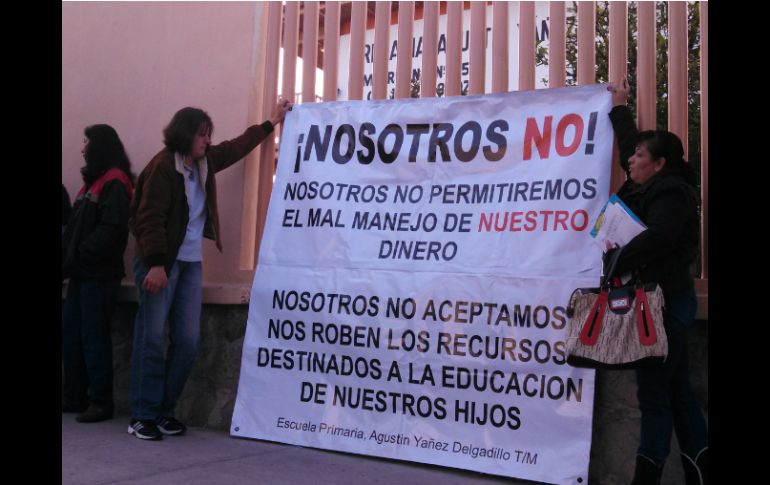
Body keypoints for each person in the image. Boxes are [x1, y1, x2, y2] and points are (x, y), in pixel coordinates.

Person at [127, 98, 292, 441]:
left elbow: (236, 148)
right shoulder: (163, 168)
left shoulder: (204, 163)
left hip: (189, 265)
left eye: (208, 135)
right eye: (202, 135)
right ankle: (142, 415)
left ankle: (163, 412)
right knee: (152, 339)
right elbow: (148, 219)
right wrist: (156, 264)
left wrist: (270, 123)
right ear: (185, 135)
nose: (208, 141)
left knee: (188, 342)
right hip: (161, 264)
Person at [607, 78, 708, 485]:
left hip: (663, 307)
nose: (630, 161)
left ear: (660, 163)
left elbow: (660, 238)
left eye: (639, 157)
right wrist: (619, 107)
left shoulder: (673, 195)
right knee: (680, 395)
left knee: (653, 397)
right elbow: (630, 145)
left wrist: (615, 256)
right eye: (631, 156)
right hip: (658, 304)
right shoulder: (645, 185)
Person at [62, 124, 135, 423]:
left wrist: (79, 255)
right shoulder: (93, 183)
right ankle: (75, 396)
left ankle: (101, 402)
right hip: (83, 274)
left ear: (100, 146)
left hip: (98, 276)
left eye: (87, 143)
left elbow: (112, 231)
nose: (82, 149)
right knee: (72, 335)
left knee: (93, 337)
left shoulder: (115, 182)